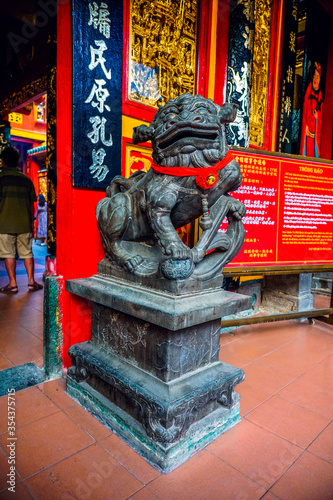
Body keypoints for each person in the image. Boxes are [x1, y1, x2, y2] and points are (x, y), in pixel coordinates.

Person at [0, 146, 43, 293]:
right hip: (24, 223)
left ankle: (13, 284)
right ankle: (31, 282)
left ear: (3, 162)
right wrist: (31, 222)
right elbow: (32, 204)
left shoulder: (1, 179)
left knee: (8, 254)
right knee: (27, 252)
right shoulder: (26, 180)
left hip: (4, 224)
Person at [300, 62, 324, 158]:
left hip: (315, 131)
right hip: (307, 131)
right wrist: (305, 124)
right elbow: (306, 107)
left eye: (317, 76)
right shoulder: (309, 89)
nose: (315, 78)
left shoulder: (320, 95)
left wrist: (318, 116)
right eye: (314, 75)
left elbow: (321, 113)